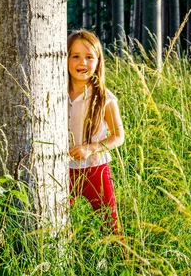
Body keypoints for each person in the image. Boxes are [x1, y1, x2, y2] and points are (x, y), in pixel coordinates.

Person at [67, 29, 125, 234]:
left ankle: (118, 262)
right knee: (57, 220)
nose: (82, 63)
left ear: (98, 61)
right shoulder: (56, 91)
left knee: (110, 224)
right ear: (65, 59)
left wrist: (91, 148)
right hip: (63, 170)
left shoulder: (104, 97)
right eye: (75, 56)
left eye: (89, 57)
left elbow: (119, 136)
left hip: (96, 169)